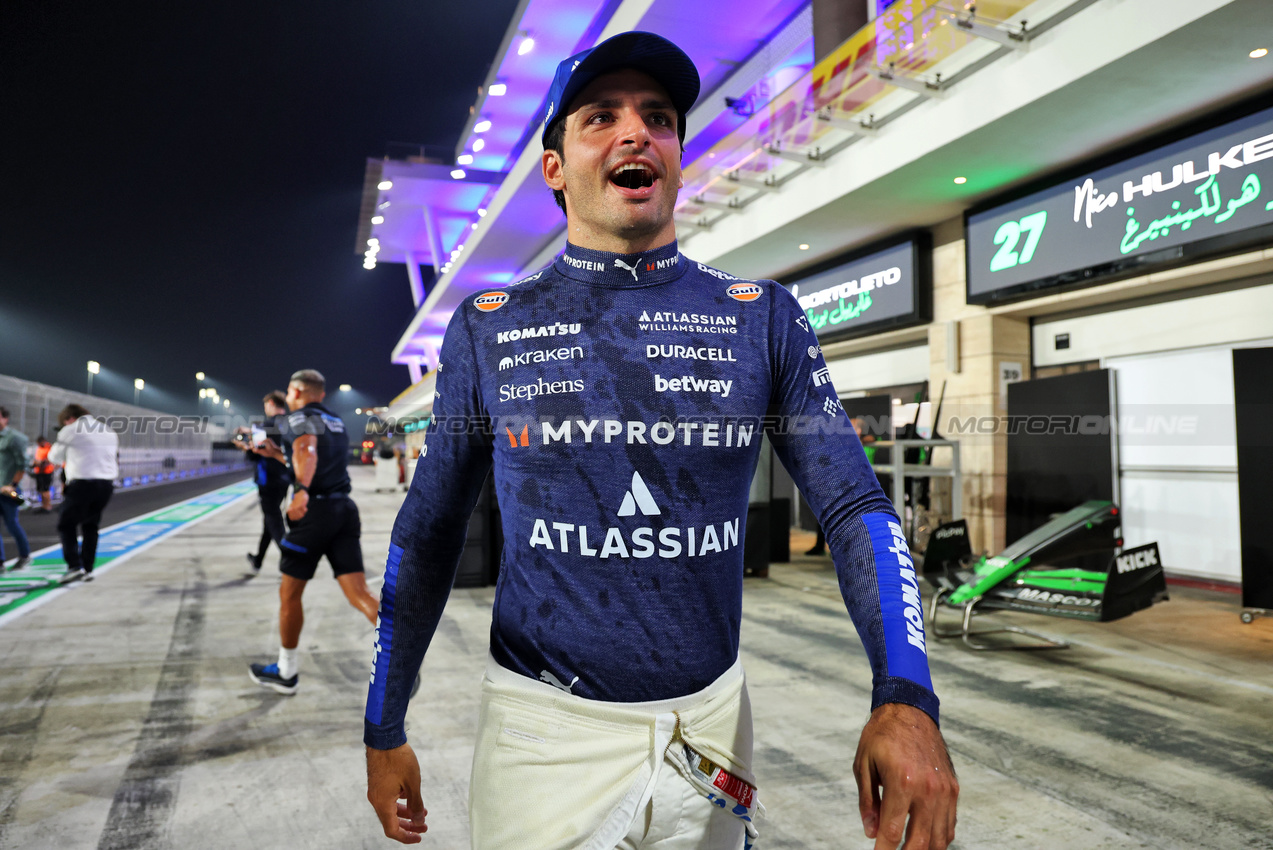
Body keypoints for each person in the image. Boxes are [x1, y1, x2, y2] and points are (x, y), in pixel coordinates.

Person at [364, 31, 958, 850]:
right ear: (554, 168)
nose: (635, 133)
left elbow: (855, 506)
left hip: (710, 729)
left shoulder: (762, 316)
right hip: (543, 736)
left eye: (658, 118)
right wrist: (384, 724)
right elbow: (428, 531)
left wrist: (907, 695)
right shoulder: (488, 327)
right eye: (600, 117)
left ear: (678, 160)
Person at [246, 369, 379, 694]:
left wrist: (301, 490)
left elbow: (307, 451)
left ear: (296, 391)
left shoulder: (298, 419)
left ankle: (286, 671)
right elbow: (313, 459)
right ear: (321, 394)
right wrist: (275, 454)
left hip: (314, 513)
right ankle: (403, 661)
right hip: (344, 510)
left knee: (290, 595)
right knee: (360, 593)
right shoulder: (336, 421)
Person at [49, 404, 119, 584]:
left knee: (66, 524)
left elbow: (54, 457)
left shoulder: (70, 429)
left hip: (82, 483)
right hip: (106, 485)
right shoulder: (108, 430)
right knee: (90, 525)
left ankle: (74, 566)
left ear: (70, 418)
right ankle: (87, 568)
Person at [233, 391, 292, 573]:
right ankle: (258, 559)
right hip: (285, 478)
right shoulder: (291, 424)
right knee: (270, 521)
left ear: (272, 404)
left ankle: (291, 559)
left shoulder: (262, 426)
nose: (265, 409)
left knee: (274, 520)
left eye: (266, 405)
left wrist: (244, 447)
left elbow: (255, 454)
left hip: (268, 480)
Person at [0, 406, 33, 571]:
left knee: (12, 524)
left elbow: (22, 465)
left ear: (5, 418)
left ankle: (25, 556)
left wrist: (12, 485)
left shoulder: (15, 438)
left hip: (8, 491)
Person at [32, 435, 56, 513]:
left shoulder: (49, 448)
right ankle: (43, 505)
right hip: (39, 471)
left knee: (46, 489)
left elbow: (51, 459)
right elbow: (37, 458)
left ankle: (47, 506)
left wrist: (42, 462)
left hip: (47, 472)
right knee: (41, 489)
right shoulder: (39, 449)